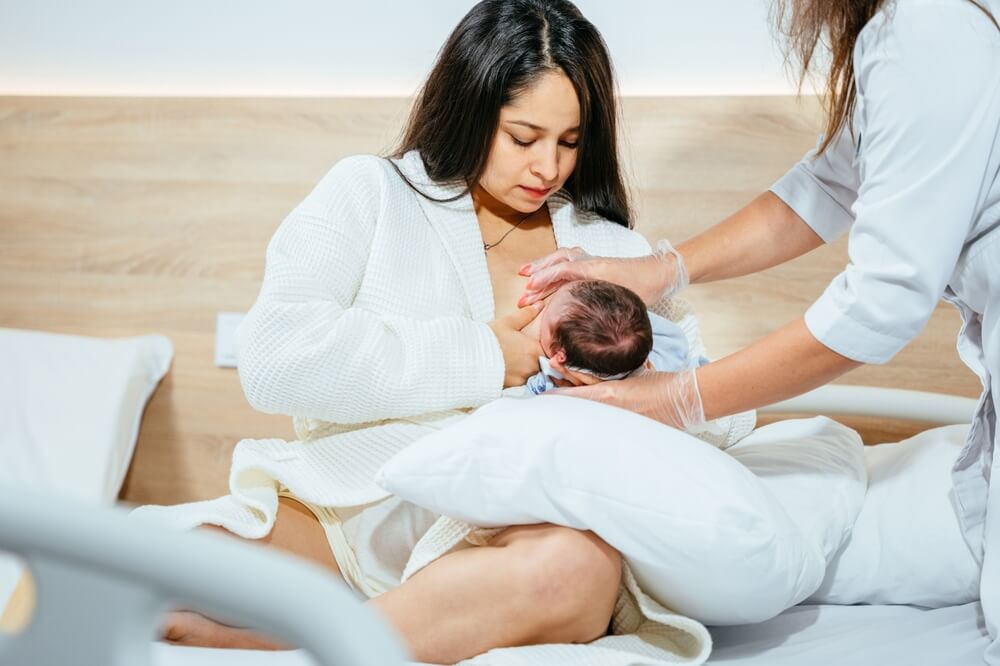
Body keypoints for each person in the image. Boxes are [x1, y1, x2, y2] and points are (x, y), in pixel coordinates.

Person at [141, 1, 727, 664]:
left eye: (570, 141)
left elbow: (713, 408)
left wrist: (634, 379)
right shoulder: (371, 192)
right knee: (99, 571)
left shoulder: (609, 247)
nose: (549, 169)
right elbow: (276, 359)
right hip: (344, 519)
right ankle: (378, 621)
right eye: (522, 136)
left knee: (576, 573)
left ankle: (309, 641)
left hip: (504, 542)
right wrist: (487, 354)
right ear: (472, 107)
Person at [520, 0, 1000, 655]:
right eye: (523, 138)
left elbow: (879, 305)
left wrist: (678, 397)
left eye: (567, 142)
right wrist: (664, 269)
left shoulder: (924, 29)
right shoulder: (915, 33)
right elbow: (827, 187)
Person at [522, 279, 702, 395]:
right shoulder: (668, 348)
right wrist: (620, 307)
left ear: (558, 356)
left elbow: (519, 399)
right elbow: (631, 321)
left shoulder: (556, 382)